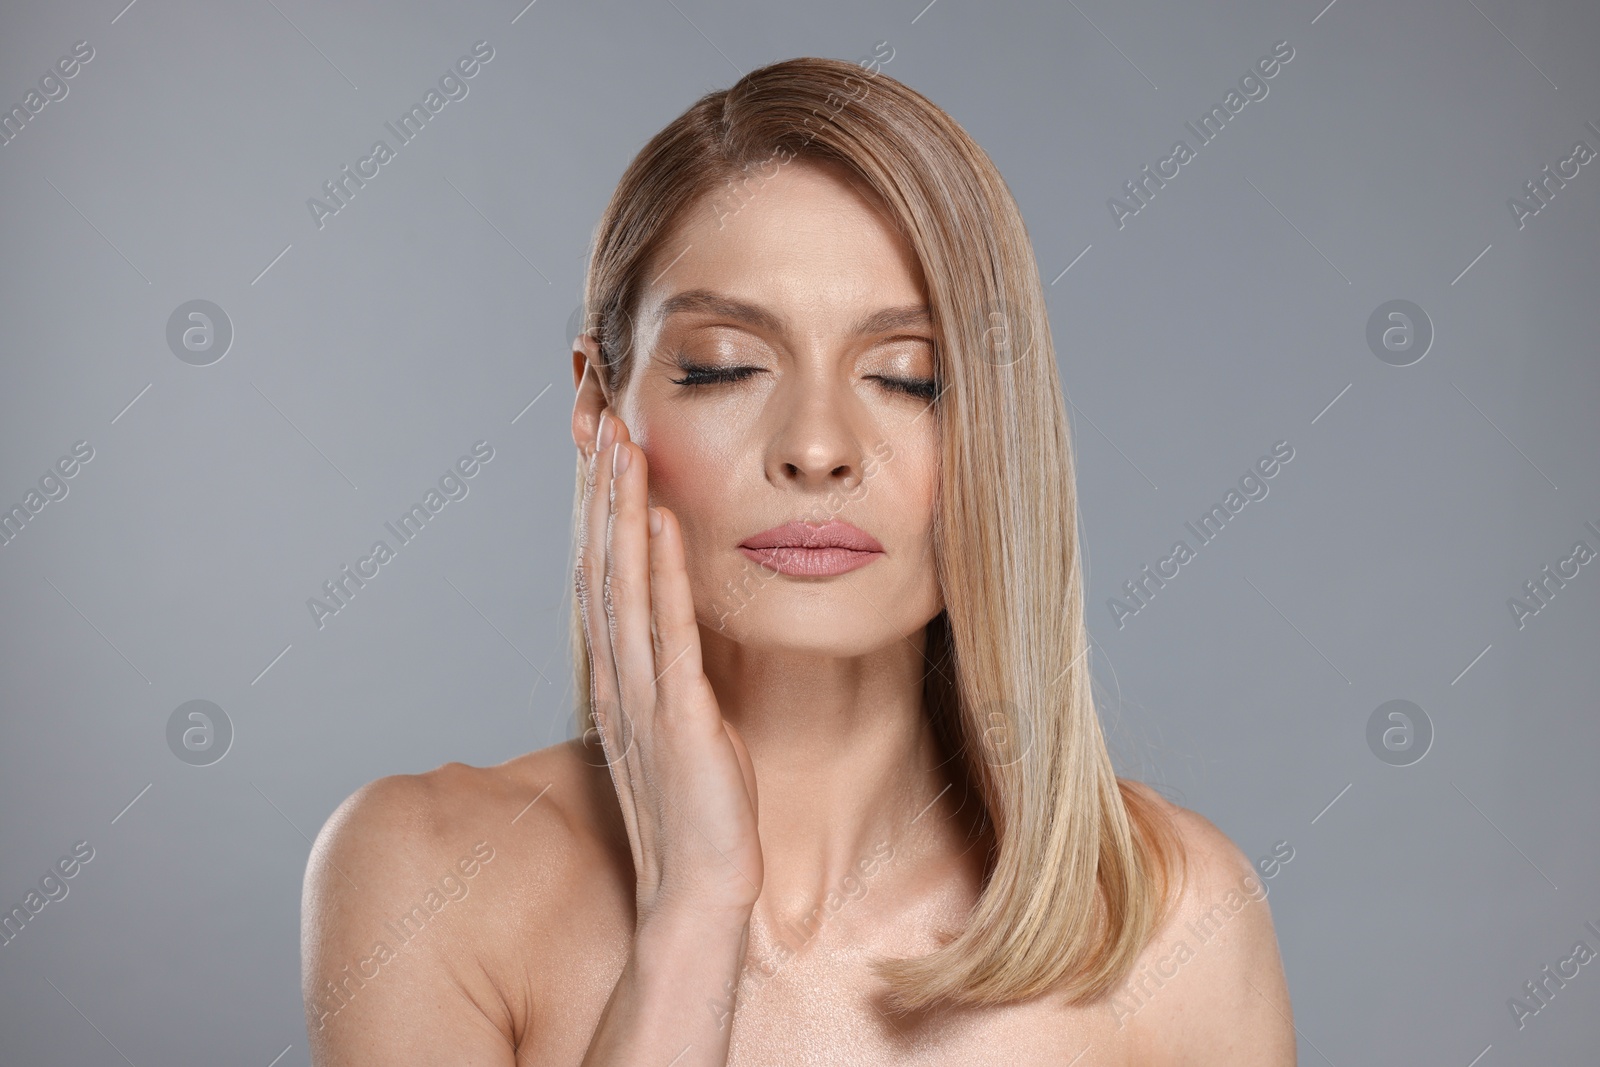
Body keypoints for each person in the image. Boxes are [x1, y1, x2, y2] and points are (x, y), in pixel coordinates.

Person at [301, 55, 1295, 1065]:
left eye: (908, 379)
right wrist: (691, 914)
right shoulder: (425, 874)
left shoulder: (1174, 921)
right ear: (599, 408)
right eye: (725, 366)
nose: (816, 446)